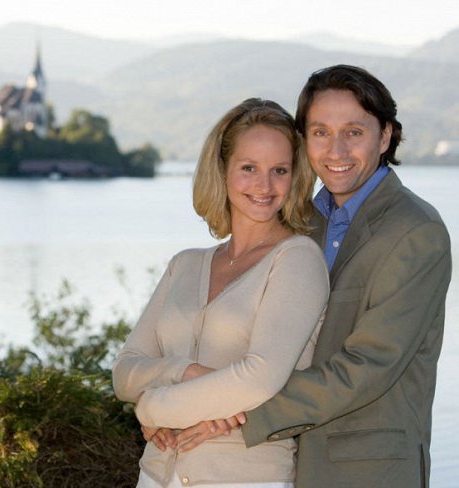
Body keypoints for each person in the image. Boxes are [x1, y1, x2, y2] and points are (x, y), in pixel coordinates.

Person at [177, 65, 453, 488]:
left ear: (385, 136)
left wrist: (230, 414)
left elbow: (365, 367)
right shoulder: (299, 222)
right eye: (320, 132)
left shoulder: (416, 233)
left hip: (368, 471)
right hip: (279, 466)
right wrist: (173, 406)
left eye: (354, 132)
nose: (336, 150)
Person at [112, 98, 329, 487]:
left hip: (244, 477)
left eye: (279, 170)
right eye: (249, 168)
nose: (264, 186)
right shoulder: (186, 264)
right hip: (156, 474)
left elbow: (259, 378)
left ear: (295, 177)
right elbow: (125, 371)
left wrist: (154, 406)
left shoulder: (297, 260)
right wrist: (183, 371)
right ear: (223, 170)